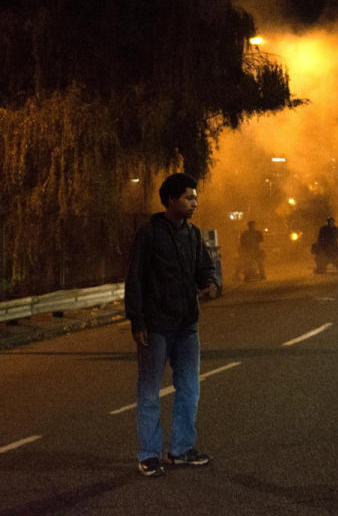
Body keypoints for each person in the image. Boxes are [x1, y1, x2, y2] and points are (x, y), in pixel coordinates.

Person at [124, 172, 221, 477]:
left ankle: (180, 450)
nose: (195, 203)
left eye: (195, 197)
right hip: (155, 325)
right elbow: (135, 279)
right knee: (150, 391)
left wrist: (211, 283)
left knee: (190, 389)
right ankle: (149, 455)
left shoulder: (192, 234)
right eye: (189, 197)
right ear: (170, 200)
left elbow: (206, 268)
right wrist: (137, 322)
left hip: (186, 325)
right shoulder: (149, 234)